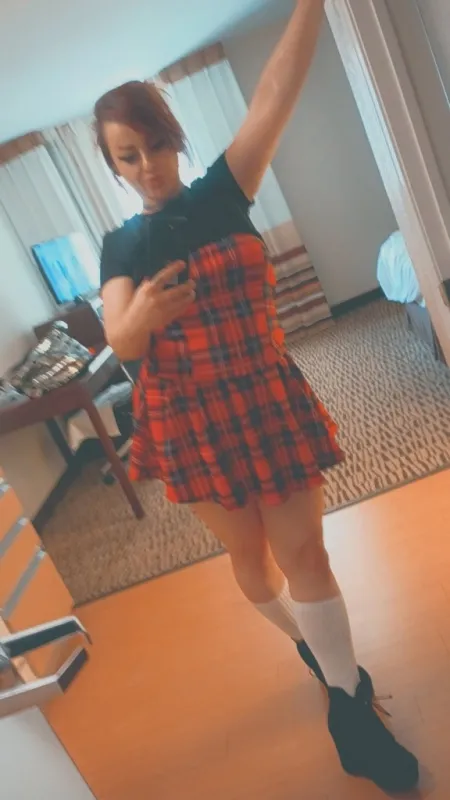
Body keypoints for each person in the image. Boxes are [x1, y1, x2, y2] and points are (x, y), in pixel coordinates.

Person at [96, 0, 419, 792]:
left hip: (262, 391)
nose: (147, 166)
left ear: (175, 138)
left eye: (155, 145)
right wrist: (143, 315)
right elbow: (121, 338)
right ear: (113, 166)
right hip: (185, 416)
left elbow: (276, 88)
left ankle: (350, 710)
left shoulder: (223, 189)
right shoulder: (120, 245)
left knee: (306, 551)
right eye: (128, 157)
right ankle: (312, 645)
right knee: (250, 558)